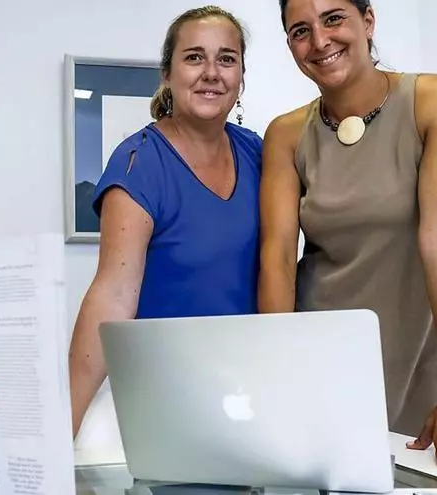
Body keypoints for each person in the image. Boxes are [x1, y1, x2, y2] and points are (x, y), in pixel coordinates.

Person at [258, 0, 437, 470]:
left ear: (368, 20)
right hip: (319, 359)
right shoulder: (285, 133)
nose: (319, 41)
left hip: (416, 360)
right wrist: (277, 374)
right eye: (300, 31)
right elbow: (277, 257)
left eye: (334, 18)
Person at [68, 5, 263, 439]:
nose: (211, 72)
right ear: (167, 74)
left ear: (241, 76)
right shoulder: (140, 162)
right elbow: (112, 296)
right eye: (194, 57)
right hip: (169, 398)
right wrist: (64, 426)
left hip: (248, 395)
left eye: (226, 59)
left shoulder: (257, 151)